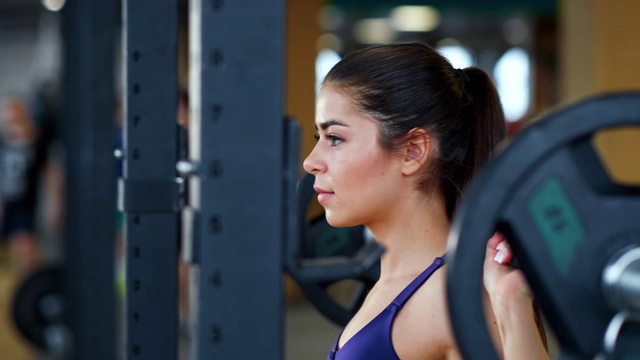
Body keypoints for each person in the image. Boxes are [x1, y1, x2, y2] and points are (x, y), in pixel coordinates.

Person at [302, 42, 549, 359]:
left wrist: (510, 302)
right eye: (318, 138)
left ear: (413, 151)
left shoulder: (450, 299)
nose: (311, 161)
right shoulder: (398, 284)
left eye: (335, 138)